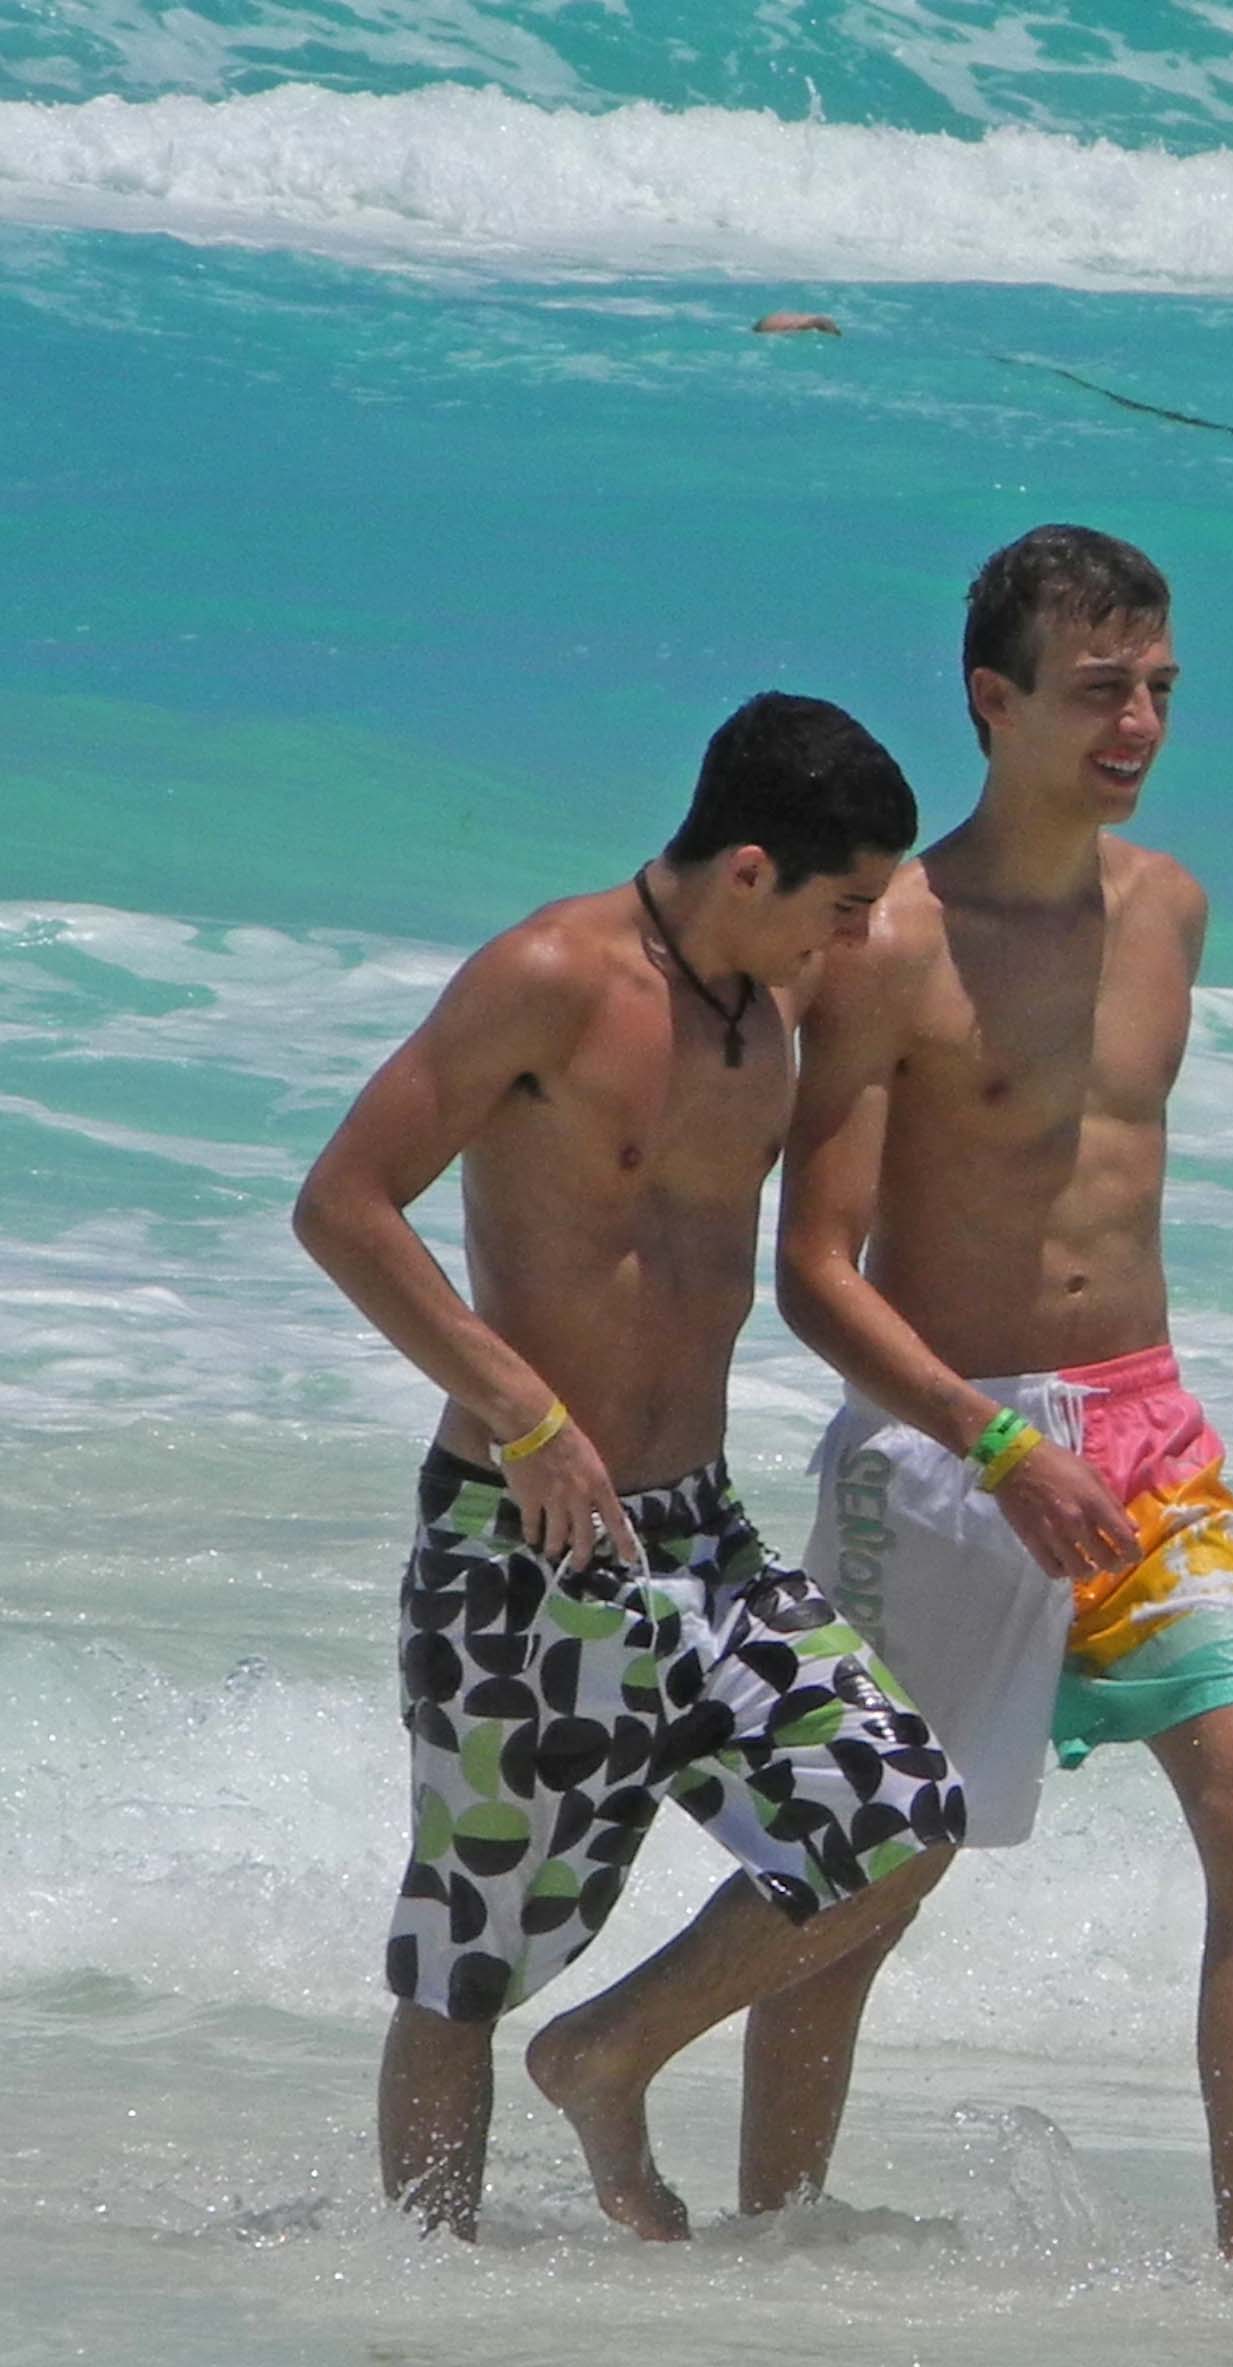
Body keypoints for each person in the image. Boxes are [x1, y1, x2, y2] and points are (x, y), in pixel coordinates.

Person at [293, 694, 964, 2242]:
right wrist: (521, 1408)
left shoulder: (772, 1012)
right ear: (749, 870)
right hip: (520, 1537)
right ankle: (424, 2311)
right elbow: (345, 1203)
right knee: (465, 1954)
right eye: (844, 907)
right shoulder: (549, 977)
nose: (859, 942)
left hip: (702, 1533)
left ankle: (607, 2053)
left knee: (897, 1817)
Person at [778, 525, 1233, 2276]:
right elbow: (819, 1271)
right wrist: (990, 1440)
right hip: (954, 1437)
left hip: (1146, 1422)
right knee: (871, 1866)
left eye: (1160, 688)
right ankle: (774, 2227)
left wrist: (1077, 1433)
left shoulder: (1171, 911)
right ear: (992, 701)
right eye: (1100, 691)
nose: (1139, 722)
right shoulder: (889, 940)